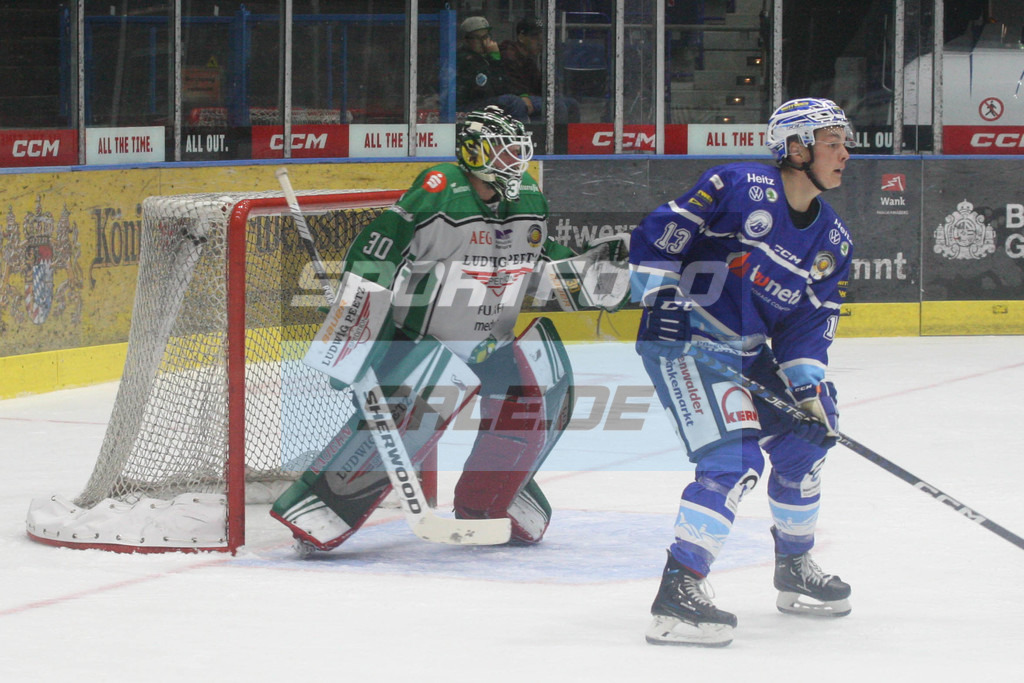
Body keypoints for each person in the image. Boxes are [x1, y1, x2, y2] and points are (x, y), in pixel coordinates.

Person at [271, 106, 628, 552]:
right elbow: (376, 250)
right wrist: (352, 332)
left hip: (486, 341)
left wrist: (587, 270)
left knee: (528, 409)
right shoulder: (439, 191)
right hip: (423, 341)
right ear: (475, 152)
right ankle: (317, 508)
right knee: (400, 425)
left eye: (520, 151)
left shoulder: (529, 198)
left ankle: (486, 503)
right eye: (505, 152)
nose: (515, 161)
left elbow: (539, 254)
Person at [628, 98, 857, 647]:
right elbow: (664, 232)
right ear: (794, 148)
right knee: (733, 460)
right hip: (686, 343)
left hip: (747, 354)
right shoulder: (738, 185)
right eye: (833, 142)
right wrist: (658, 294)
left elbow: (808, 325)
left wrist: (809, 391)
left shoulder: (834, 241)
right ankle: (678, 591)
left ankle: (794, 568)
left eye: (844, 142)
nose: (845, 154)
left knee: (805, 443)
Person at [499, 16, 580, 124]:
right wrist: (523, 95)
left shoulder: (529, 59)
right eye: (535, 37)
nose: (540, 42)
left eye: (542, 38)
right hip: (516, 98)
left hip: (529, 96)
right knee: (557, 106)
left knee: (571, 103)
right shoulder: (508, 54)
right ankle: (559, 140)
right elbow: (511, 84)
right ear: (521, 37)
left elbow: (538, 85)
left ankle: (572, 139)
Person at [456, 16, 530, 123]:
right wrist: (495, 60)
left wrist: (523, 94)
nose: (484, 42)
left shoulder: (485, 57)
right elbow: (495, 89)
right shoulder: (466, 59)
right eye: (478, 38)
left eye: (486, 36)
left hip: (488, 101)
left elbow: (507, 81)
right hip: (468, 106)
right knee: (514, 102)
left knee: (548, 104)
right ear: (467, 40)